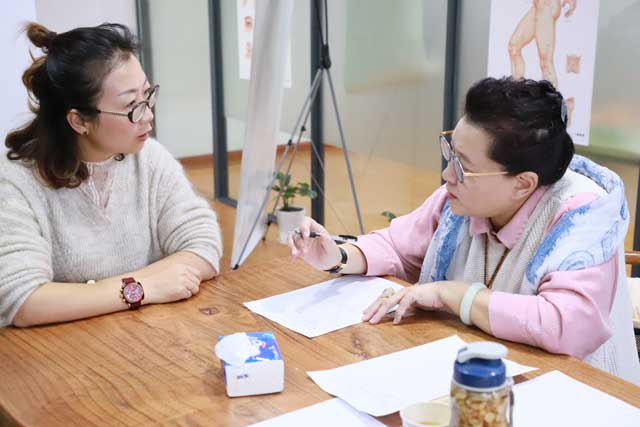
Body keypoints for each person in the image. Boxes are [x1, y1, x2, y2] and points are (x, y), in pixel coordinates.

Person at [290, 77, 640, 385]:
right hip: (479, 376)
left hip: (577, 392)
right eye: (451, 154)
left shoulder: (583, 217)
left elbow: (565, 325)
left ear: (523, 184)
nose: (447, 175)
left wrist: (453, 295)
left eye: (462, 165)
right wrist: (338, 256)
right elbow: (399, 247)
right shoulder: (459, 199)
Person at [0, 23, 222, 327]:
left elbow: (203, 245)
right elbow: (24, 301)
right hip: (62, 348)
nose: (148, 115)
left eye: (147, 95)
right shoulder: (16, 182)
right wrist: (141, 289)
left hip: (147, 333)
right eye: (131, 106)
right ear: (79, 121)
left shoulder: (149, 158)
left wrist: (107, 292)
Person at [508, 0, 577, 89]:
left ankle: (551, 97)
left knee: (545, 62)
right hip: (538, 6)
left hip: (547, 7)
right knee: (513, 46)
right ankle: (517, 91)